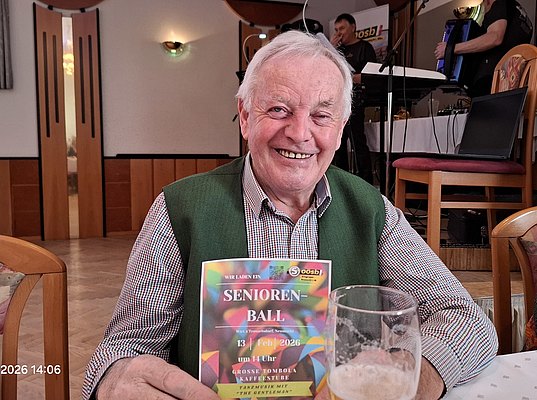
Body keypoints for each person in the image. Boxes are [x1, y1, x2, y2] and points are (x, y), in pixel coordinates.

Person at [83, 30, 497, 400]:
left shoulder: (370, 209)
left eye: (321, 115)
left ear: (340, 128)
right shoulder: (180, 209)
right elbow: (124, 349)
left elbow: (466, 321)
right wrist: (115, 380)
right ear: (246, 116)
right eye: (279, 109)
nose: (300, 133)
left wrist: (409, 378)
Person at [435, 0, 533, 97]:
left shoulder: (499, 4)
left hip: (493, 82)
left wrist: (450, 49)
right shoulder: (517, 11)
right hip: (511, 85)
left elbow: (494, 38)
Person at [330, 13, 377, 183]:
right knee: (338, 144)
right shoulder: (338, 50)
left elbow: (372, 75)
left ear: (353, 27)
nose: (339, 33)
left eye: (342, 28)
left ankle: (365, 183)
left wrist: (351, 77)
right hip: (337, 100)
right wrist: (331, 48)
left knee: (358, 142)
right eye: (336, 29)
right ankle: (340, 183)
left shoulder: (365, 48)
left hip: (356, 99)